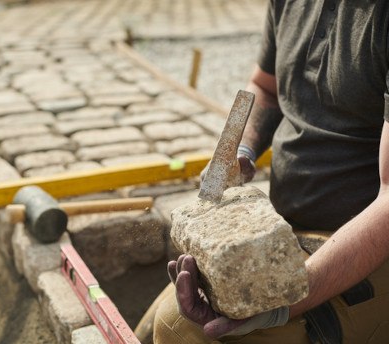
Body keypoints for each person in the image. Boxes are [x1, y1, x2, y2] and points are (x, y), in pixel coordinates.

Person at [135, 1, 389, 343]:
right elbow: (265, 87)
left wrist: (285, 303)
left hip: (366, 248)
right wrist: (238, 148)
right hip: (286, 224)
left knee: (176, 329)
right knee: (149, 328)